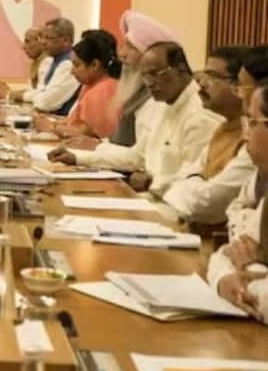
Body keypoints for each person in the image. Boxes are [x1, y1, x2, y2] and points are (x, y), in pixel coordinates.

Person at [49, 42, 222, 195]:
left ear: (181, 70)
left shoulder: (199, 115)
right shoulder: (162, 106)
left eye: (155, 73)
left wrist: (152, 182)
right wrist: (78, 158)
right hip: (149, 198)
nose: (150, 83)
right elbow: (137, 156)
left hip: (171, 210)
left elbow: (192, 183)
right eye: (145, 76)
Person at [162, 46, 254, 226]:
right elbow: (180, 178)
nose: (202, 84)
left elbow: (208, 203)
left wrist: (187, 185)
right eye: (203, 76)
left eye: (213, 77)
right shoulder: (223, 128)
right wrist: (190, 185)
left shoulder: (253, 137)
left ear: (239, 85)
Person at [207, 81, 268, 323]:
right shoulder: (258, 176)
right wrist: (223, 281)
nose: (244, 135)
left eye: (252, 123)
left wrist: (252, 271)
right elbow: (227, 252)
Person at [64, 10, 167, 150]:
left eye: (130, 47)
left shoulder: (155, 99)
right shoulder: (134, 93)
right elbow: (117, 142)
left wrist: (97, 147)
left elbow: (139, 156)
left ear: (151, 56)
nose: (122, 54)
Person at [34, 29, 121, 138]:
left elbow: (87, 136)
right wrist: (57, 123)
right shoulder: (91, 85)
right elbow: (76, 121)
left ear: (94, 65)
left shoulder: (102, 91)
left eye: (77, 65)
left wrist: (51, 128)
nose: (72, 71)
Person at [0, 17, 80, 115]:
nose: (43, 42)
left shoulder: (69, 64)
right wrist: (38, 95)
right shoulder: (54, 60)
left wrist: (12, 94)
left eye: (49, 38)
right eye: (43, 38)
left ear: (66, 40)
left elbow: (45, 103)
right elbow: (40, 92)